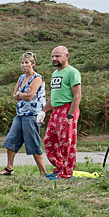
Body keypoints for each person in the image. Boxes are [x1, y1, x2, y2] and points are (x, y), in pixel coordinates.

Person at [0, 52, 47, 176]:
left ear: (33, 64)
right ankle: (9, 168)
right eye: (22, 63)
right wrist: (20, 95)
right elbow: (15, 95)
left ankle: (43, 172)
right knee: (11, 140)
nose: (24, 65)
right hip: (20, 114)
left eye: (27, 63)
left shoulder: (37, 78)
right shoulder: (21, 78)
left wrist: (21, 95)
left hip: (32, 115)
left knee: (33, 143)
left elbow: (30, 96)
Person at [41, 46, 81, 180]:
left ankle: (67, 173)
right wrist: (44, 111)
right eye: (53, 56)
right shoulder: (55, 74)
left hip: (68, 108)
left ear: (66, 56)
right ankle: (59, 167)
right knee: (49, 140)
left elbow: (77, 96)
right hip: (56, 111)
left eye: (57, 56)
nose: (54, 59)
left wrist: (70, 114)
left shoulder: (72, 72)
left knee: (66, 143)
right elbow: (54, 96)